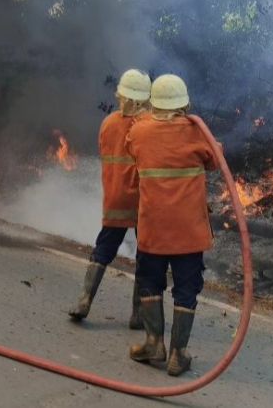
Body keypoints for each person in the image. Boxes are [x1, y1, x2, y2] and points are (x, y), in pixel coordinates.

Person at [126, 73, 218, 377]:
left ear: (153, 102)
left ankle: (154, 344)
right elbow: (215, 160)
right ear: (184, 103)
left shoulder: (139, 132)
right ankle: (179, 354)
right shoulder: (196, 132)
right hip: (188, 231)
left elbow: (131, 149)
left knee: (150, 281)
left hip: (153, 228)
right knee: (186, 288)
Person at [68, 69, 151, 328]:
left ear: (120, 96)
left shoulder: (108, 123)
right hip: (142, 200)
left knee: (104, 248)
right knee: (146, 255)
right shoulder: (147, 127)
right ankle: (138, 315)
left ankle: (84, 300)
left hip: (115, 198)